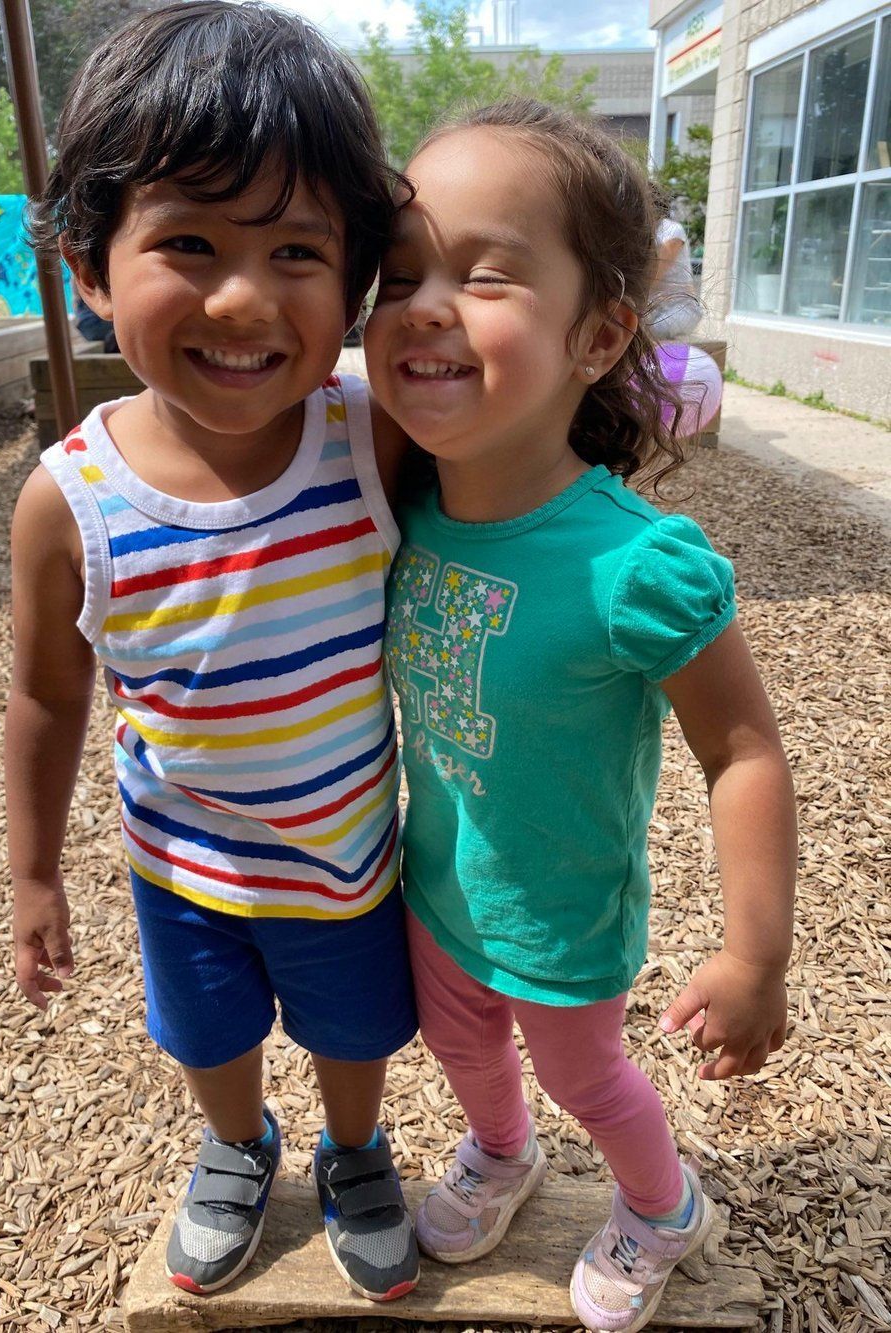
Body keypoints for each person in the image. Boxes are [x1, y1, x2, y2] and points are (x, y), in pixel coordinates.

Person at [7, 2, 421, 1303]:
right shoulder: (69, 499)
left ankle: (356, 1150)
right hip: (179, 858)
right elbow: (43, 692)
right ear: (87, 264)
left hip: (347, 850)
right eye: (186, 240)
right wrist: (31, 872)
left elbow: (512, 424)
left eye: (297, 248)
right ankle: (238, 1145)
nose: (243, 296)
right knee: (208, 1035)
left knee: (357, 1031)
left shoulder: (371, 436)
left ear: (351, 283)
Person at [365, 98, 796, 1333]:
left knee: (587, 1075)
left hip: (561, 909)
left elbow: (743, 749)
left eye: (484, 274)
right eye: (398, 275)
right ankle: (502, 1153)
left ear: (599, 335)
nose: (426, 303)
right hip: (437, 879)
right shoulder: (401, 508)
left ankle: (663, 1208)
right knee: (460, 1050)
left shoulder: (636, 567)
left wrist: (755, 952)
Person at [648, 191, 702, 342]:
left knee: (642, 333)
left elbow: (652, 277)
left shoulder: (671, 230)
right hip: (653, 310)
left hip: (680, 309)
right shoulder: (642, 232)